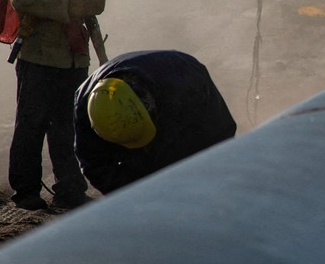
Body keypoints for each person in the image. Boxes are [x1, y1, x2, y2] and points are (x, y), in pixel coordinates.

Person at [0, 0, 106, 211]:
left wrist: (62, 2)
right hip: (39, 57)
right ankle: (26, 192)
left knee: (69, 128)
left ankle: (70, 189)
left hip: (73, 58)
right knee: (31, 126)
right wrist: (71, 4)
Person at [74, 50, 237, 195]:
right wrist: (130, 197)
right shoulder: (86, 107)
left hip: (180, 76)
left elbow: (220, 135)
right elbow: (96, 165)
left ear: (152, 111)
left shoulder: (186, 89)